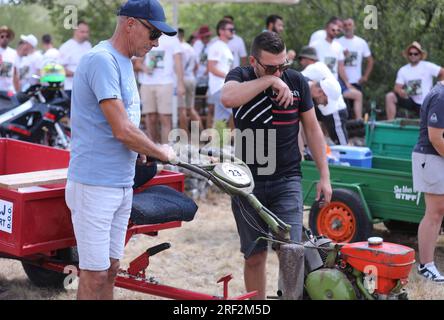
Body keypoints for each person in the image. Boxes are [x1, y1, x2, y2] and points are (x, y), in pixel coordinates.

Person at [66, 0, 176, 300]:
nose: (155, 43)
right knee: (94, 274)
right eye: (153, 33)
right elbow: (122, 129)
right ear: (130, 24)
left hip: (120, 183)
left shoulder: (124, 61)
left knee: (112, 268)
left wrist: (141, 148)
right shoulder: (102, 60)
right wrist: (161, 151)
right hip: (94, 184)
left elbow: (125, 124)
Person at [221, 31, 332, 300]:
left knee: (291, 252)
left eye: (283, 65)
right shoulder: (241, 75)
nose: (280, 72)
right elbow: (228, 98)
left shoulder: (297, 82)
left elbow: (313, 130)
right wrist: (269, 80)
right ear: (253, 61)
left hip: (287, 180)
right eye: (272, 67)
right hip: (247, 182)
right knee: (255, 256)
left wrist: (325, 176)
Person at [412, 81, 444, 282]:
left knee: (437, 213)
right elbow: (435, 137)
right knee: (434, 213)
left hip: (435, 157)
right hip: (431, 157)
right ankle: (426, 266)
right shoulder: (441, 96)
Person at [133, 30, 184, 144]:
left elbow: (178, 62)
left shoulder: (172, 39)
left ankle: (166, 150)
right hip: (146, 83)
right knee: (150, 117)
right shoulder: (145, 35)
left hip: (165, 82)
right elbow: (137, 63)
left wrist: (181, 84)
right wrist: (145, 68)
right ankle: (152, 148)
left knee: (165, 117)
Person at [311, 20, 363, 120]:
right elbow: (309, 62)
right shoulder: (315, 45)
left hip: (333, 83)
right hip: (318, 84)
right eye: (333, 29)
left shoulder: (338, 46)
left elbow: (341, 67)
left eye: (338, 30)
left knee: (357, 95)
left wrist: (347, 83)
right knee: (320, 110)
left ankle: (359, 124)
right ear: (326, 29)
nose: (335, 32)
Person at [299, 46, 348, 146]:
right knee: (337, 140)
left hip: (335, 110)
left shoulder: (314, 67)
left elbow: (297, 78)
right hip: (334, 109)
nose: (301, 62)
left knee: (341, 144)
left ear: (307, 59)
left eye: (301, 59)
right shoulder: (320, 66)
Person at [385, 42, 444, 120]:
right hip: (411, 100)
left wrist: (439, 88)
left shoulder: (427, 66)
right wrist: (401, 92)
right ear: (408, 55)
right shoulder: (403, 70)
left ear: (420, 55)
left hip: (427, 102)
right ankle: (390, 124)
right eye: (410, 53)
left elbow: (442, 72)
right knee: (390, 96)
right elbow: (397, 87)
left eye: (415, 53)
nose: (413, 55)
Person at [208, 19, 234, 127]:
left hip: (223, 87)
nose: (233, 32)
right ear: (221, 31)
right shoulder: (217, 46)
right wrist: (230, 76)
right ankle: (243, 142)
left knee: (220, 120)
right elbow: (211, 68)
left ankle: (217, 143)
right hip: (219, 88)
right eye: (231, 29)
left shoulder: (225, 47)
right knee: (239, 111)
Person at [178, 28, 202, 134]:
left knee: (181, 109)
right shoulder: (190, 48)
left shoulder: (177, 49)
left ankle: (184, 137)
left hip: (181, 80)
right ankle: (203, 134)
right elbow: (197, 66)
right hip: (191, 79)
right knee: (190, 109)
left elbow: (176, 67)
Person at [59, 21, 92, 97]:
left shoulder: (88, 45)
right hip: (71, 88)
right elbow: (60, 69)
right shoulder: (66, 47)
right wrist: (79, 74)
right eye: (82, 32)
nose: (85, 34)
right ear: (75, 31)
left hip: (87, 88)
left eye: (87, 32)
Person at [193, 25, 213, 127]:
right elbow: (194, 59)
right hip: (197, 78)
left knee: (209, 106)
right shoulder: (197, 45)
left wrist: (207, 70)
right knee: (196, 105)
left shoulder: (212, 46)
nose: (206, 39)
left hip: (208, 80)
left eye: (207, 37)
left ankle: (208, 130)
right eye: (204, 37)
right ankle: (195, 130)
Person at [0, 25, 19, 93]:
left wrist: (17, 91)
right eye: (2, 36)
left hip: (9, 91)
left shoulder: (13, 53)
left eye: (7, 36)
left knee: (14, 102)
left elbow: (15, 73)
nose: (4, 38)